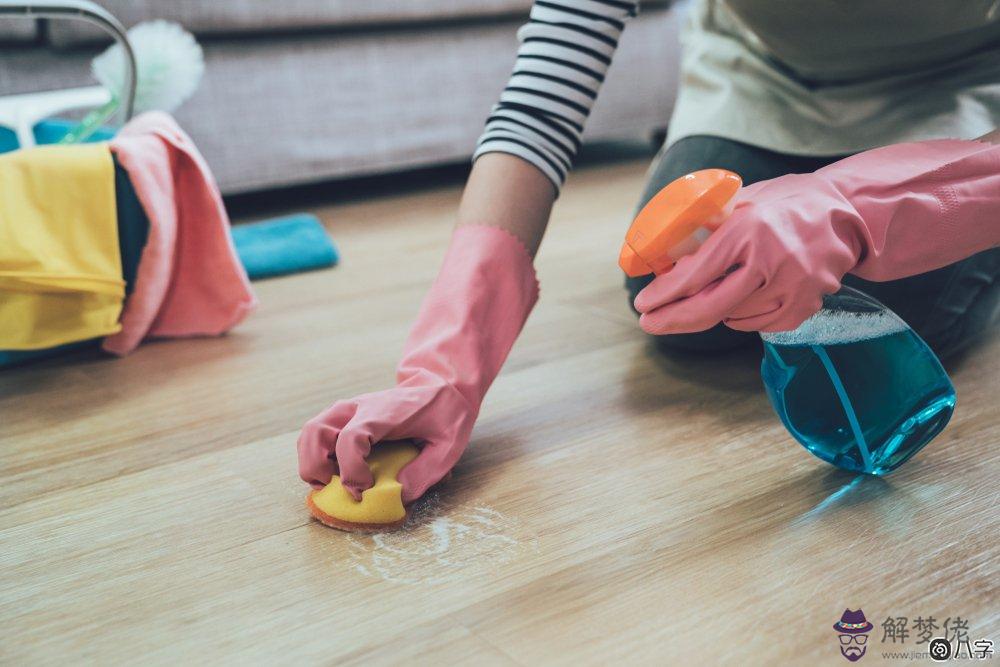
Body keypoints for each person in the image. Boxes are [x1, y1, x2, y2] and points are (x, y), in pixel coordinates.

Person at [298, 1, 1000, 502]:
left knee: (905, 297)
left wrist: (859, 206)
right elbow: (545, 94)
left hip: (962, 90)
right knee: (676, 283)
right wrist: (446, 366)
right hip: (770, 77)